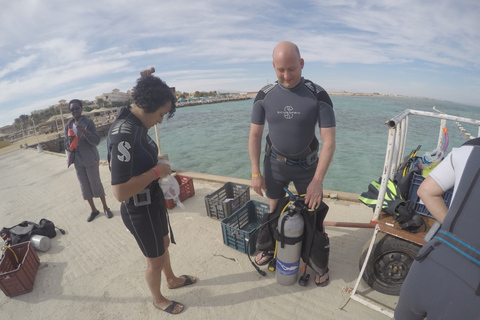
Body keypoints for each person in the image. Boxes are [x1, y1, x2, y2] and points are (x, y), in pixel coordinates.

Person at [107, 74, 196, 315]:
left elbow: (139, 161)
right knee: (154, 260)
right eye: (161, 114)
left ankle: (172, 279)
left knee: (164, 243)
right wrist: (156, 171)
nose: (161, 121)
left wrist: (155, 162)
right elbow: (120, 191)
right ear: (149, 107)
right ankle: (158, 299)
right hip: (138, 209)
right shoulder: (124, 133)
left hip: (153, 200)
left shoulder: (137, 125)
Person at [249, 41, 336, 286]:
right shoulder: (265, 95)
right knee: (273, 209)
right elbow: (255, 135)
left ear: (301, 64)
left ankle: (318, 263)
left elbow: (329, 141)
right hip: (275, 163)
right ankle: (269, 247)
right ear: (274, 67)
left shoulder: (317, 94)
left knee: (313, 213)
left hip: (308, 167)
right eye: (281, 70)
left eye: (291, 69)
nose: (286, 75)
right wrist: (256, 172)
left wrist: (318, 181)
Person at [394, 138, 480, 319]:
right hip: (472, 288)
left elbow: (425, 191)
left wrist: (452, 229)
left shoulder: (466, 150)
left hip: (429, 262)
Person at [64, 99, 113, 222]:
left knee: (95, 183)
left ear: (81, 108)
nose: (75, 111)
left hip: (90, 158)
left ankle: (106, 208)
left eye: (77, 108)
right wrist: (69, 142)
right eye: (72, 109)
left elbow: (96, 141)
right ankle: (94, 210)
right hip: (77, 160)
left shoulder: (88, 122)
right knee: (84, 186)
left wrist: (84, 131)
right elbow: (66, 144)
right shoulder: (68, 125)